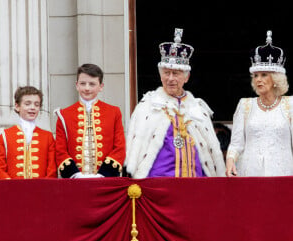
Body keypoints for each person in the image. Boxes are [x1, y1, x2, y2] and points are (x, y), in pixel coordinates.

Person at [125, 28, 225, 178]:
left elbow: (211, 151)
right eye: (166, 73)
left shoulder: (198, 108)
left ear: (186, 77)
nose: (170, 78)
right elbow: (134, 149)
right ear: (161, 76)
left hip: (194, 181)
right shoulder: (147, 106)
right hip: (158, 182)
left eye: (176, 73)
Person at [226, 30, 293, 177]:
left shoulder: (290, 105)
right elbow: (236, 144)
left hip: (284, 176)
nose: (258, 79)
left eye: (264, 75)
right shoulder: (245, 105)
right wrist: (230, 161)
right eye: (255, 75)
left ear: (276, 79)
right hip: (251, 175)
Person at [55, 63, 126, 178]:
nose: (87, 88)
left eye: (92, 84)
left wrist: (103, 174)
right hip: (75, 181)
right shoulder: (64, 114)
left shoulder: (114, 112)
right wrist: (75, 174)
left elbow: (120, 147)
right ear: (77, 85)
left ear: (101, 86)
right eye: (83, 84)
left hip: (105, 180)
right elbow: (60, 150)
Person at [0, 86, 57, 179]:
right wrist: (11, 187)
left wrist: (44, 189)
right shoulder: (5, 135)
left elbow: (52, 169)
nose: (32, 108)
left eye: (36, 104)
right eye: (27, 104)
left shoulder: (47, 136)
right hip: (12, 191)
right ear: (17, 106)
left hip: (41, 191)